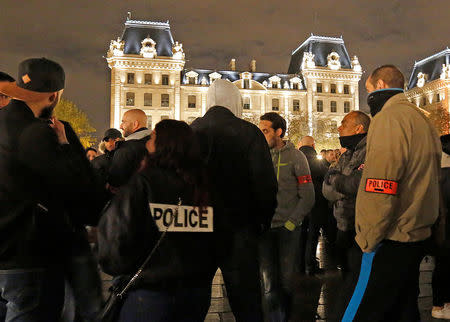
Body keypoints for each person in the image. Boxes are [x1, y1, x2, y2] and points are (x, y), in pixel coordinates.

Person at [0, 58, 102, 321]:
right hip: (30, 251)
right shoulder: (40, 133)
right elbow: (78, 188)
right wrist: (67, 146)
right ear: (54, 96)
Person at [341, 65, 441, 321]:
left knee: (361, 311)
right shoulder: (422, 119)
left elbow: (381, 183)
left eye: (369, 89)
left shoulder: (388, 118)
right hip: (416, 231)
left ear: (381, 85)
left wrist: (368, 237)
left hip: (390, 235)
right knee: (404, 308)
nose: (368, 95)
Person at [98, 119, 215, 322]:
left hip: (150, 292)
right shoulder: (205, 187)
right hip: (195, 292)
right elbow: (221, 237)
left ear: (164, 144)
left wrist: (121, 269)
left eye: (152, 137)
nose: (147, 142)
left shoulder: (144, 183)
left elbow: (115, 236)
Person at [191, 79, 277, 321]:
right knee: (246, 300)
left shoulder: (190, 130)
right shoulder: (249, 132)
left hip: (197, 227)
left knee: (194, 298)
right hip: (239, 227)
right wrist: (261, 222)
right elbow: (266, 185)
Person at [258, 113, 315, 321]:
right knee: (268, 283)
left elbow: (308, 196)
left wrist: (292, 223)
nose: (261, 135)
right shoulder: (259, 156)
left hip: (287, 230)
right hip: (264, 230)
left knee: (287, 281)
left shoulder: (296, 157)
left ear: (278, 132)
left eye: (265, 130)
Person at [322, 111, 370, 273]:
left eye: (344, 124)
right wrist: (344, 186)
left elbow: (360, 186)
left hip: (362, 228)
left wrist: (339, 182)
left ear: (358, 128)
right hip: (343, 225)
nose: (339, 128)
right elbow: (326, 188)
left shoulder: (371, 151)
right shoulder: (347, 154)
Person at [298, 136, 331, 275]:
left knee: (299, 235)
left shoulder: (294, 158)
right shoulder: (318, 162)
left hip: (297, 203)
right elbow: (327, 178)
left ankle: (298, 265)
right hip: (316, 203)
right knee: (312, 234)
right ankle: (310, 264)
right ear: (313, 145)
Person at [431, 134, 450, 319]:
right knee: (444, 266)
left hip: (441, 227)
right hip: (444, 227)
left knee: (442, 265)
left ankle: (440, 304)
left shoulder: (437, 170)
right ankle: (439, 305)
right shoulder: (444, 172)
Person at [108, 109, 151, 187]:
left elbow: (114, 181)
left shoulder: (126, 149)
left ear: (135, 124)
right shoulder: (158, 145)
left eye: (123, 122)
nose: (120, 126)